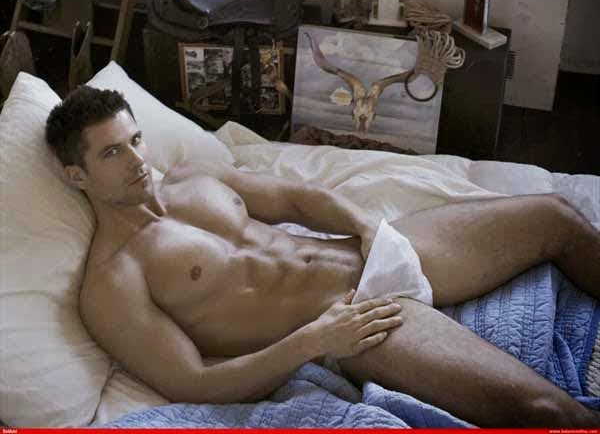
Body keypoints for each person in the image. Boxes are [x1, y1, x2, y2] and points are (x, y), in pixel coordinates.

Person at [45, 86, 600, 428]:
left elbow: (294, 198)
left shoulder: (194, 176)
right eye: (112, 152)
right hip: (352, 322)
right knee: (549, 414)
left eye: (136, 140)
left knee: (556, 217)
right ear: (76, 175)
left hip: (373, 254)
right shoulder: (112, 282)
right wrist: (315, 342)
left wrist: (364, 225)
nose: (136, 160)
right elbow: (192, 382)